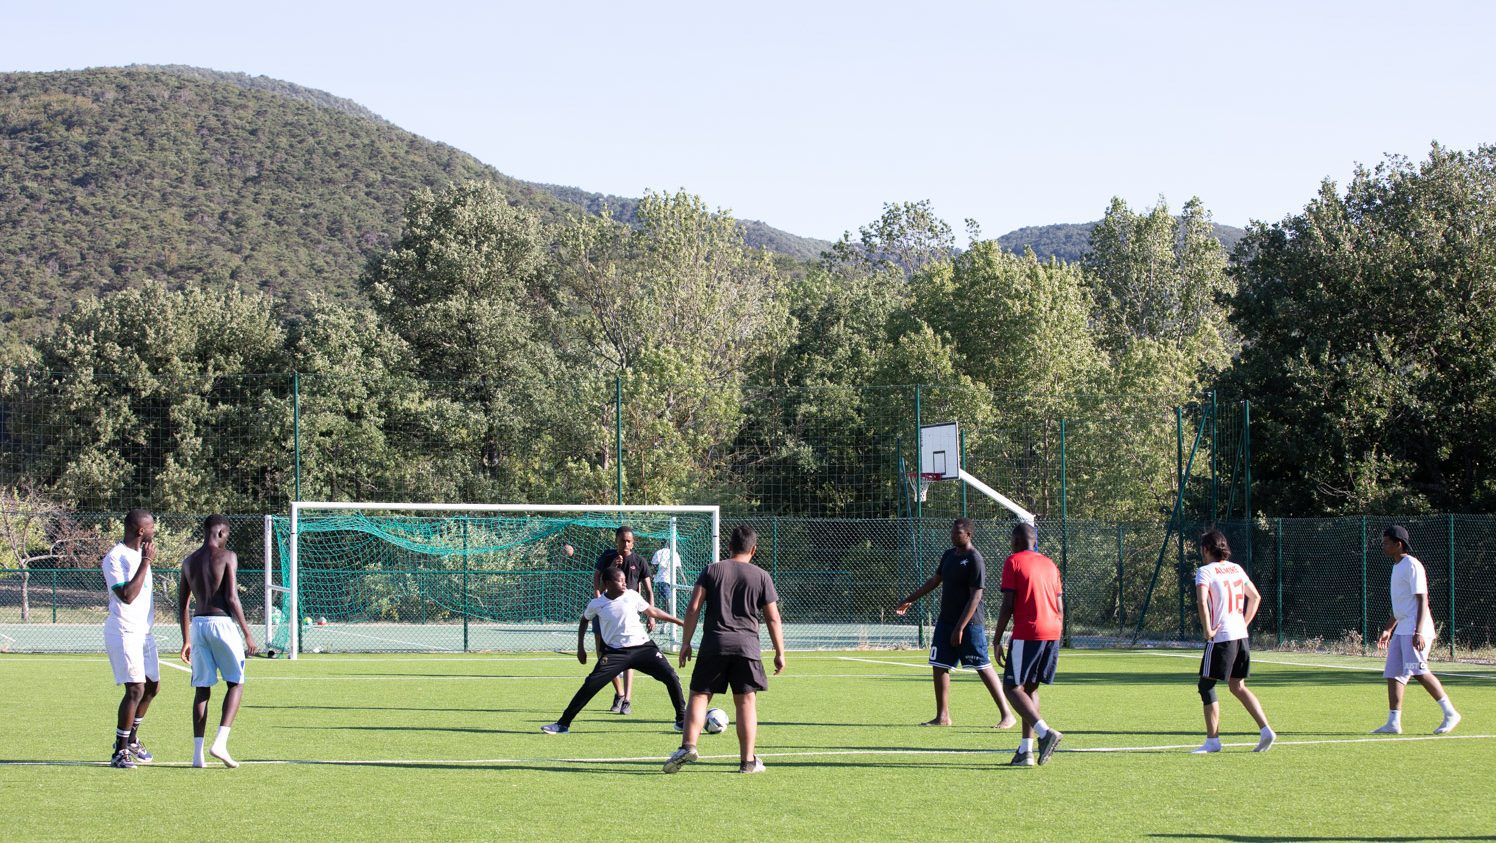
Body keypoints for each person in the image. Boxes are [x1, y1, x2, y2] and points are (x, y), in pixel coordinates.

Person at [664, 525, 785, 774]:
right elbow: (773, 618)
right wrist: (779, 651)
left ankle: (688, 746)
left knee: (699, 695)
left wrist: (686, 642)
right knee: (746, 702)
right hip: (747, 648)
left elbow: (693, 607)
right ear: (754, 549)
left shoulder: (712, 570)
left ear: (728, 547)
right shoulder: (762, 576)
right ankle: (748, 762)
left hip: (714, 645)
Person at [894, 518, 1016, 728]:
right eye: (952, 532)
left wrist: (960, 627)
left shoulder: (975, 559)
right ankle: (942, 717)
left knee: (982, 666)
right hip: (945, 621)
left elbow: (976, 597)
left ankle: (1007, 715)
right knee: (939, 665)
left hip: (969, 624)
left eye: (957, 533)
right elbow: (935, 581)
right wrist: (910, 599)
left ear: (968, 534)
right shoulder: (949, 555)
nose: (953, 535)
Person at [541, 567, 687, 734]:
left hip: (643, 648)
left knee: (671, 676)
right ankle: (563, 724)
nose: (625, 583)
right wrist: (580, 647)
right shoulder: (597, 604)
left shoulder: (632, 595)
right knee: (590, 685)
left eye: (625, 580)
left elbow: (651, 611)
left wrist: (679, 622)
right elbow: (584, 621)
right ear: (608, 583)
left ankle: (681, 720)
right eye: (620, 580)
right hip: (615, 653)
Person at [177, 514, 258, 768]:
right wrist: (247, 633)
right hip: (222, 624)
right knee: (236, 682)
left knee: (202, 689)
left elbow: (182, 604)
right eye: (227, 536)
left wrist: (186, 639)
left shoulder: (188, 561)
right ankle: (220, 742)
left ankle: (197, 754)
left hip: (199, 625)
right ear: (221, 533)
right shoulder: (227, 556)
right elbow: (232, 597)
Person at [1191, 529, 1275, 753]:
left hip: (1221, 637)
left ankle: (1213, 741)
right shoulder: (1236, 568)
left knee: (1206, 684)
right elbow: (1255, 597)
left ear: (1206, 549)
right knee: (1237, 686)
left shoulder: (1204, 571)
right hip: (1240, 636)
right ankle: (1266, 729)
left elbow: (1201, 602)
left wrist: (1207, 629)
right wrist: (1243, 623)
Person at [1373, 525, 1459, 735]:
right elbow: (1402, 604)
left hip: (1415, 628)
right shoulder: (1396, 566)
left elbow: (1422, 599)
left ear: (1398, 544)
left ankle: (1450, 713)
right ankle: (1393, 722)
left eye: (1386, 543)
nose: (1383, 546)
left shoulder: (1412, 565)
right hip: (1403, 628)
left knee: (1418, 670)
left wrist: (1418, 632)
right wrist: (1388, 628)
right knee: (1393, 674)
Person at [992, 522, 1064, 767]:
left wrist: (997, 637)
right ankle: (1026, 751)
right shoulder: (1050, 564)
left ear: (1016, 541)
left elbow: (1008, 604)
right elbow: (1060, 606)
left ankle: (1045, 733)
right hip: (1053, 631)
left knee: (1012, 687)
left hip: (1029, 631)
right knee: (1030, 689)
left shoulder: (1013, 561)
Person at [102, 509, 160, 769]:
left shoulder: (139, 554)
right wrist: (146, 562)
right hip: (124, 629)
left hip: (143, 632)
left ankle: (132, 739)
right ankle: (120, 751)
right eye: (151, 528)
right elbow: (126, 595)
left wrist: (144, 560)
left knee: (152, 687)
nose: (154, 532)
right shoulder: (115, 558)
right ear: (140, 531)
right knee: (135, 688)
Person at [593, 525, 654, 714]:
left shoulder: (639, 561)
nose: (626, 544)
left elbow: (648, 590)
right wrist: (613, 566)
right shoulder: (607, 557)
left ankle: (627, 699)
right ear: (616, 541)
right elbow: (597, 584)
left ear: (633, 542)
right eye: (622, 540)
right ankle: (619, 693)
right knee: (603, 654)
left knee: (630, 655)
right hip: (607, 613)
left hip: (629, 615)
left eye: (629, 541)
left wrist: (651, 616)